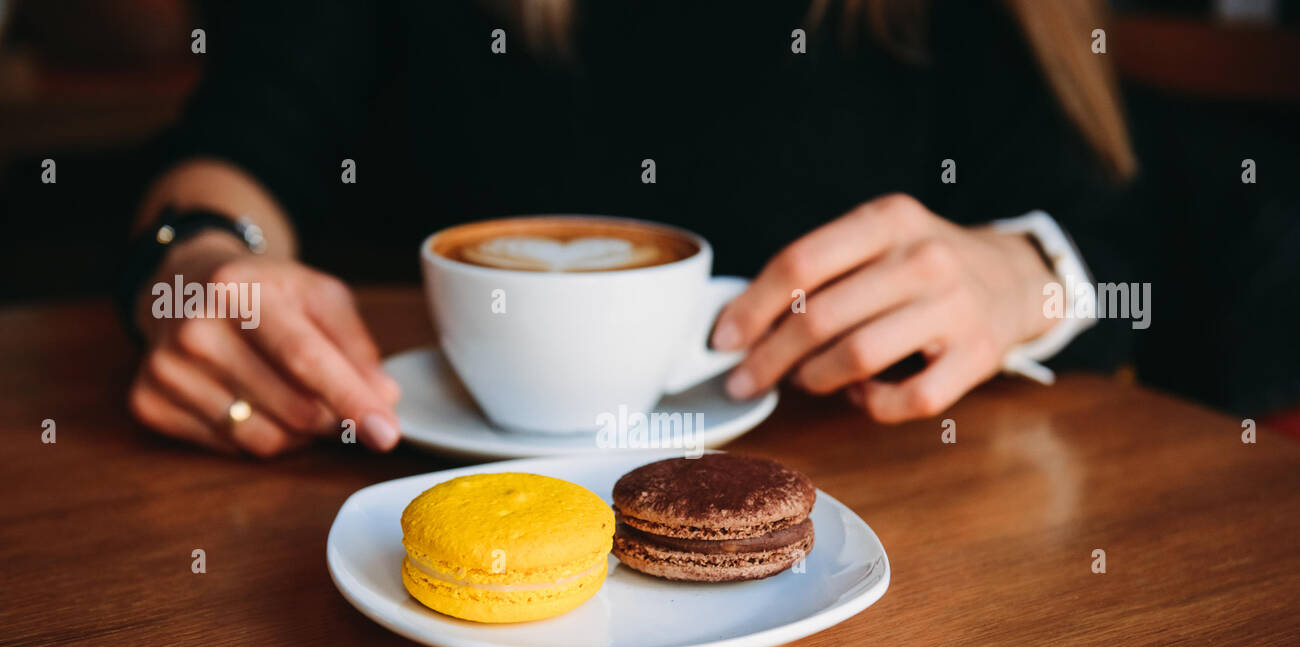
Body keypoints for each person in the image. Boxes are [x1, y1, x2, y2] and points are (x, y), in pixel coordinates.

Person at [122, 0, 1141, 456]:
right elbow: (238, 147)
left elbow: (1128, 233)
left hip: (879, 520)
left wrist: (1022, 276)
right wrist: (202, 261)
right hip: (382, 488)